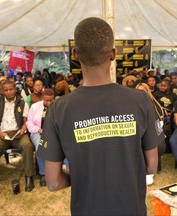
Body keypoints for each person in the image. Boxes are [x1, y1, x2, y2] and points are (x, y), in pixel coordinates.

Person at [37, 17, 159, 215]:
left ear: (75, 54)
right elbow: (152, 165)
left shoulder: (58, 109)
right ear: (113, 54)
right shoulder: (141, 101)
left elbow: (53, 182)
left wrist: (76, 178)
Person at [0, 80, 35, 205]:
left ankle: (29, 177)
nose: (9, 92)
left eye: (11, 89)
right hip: (1, 134)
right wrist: (0, 133)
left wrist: (23, 129)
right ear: (1, 91)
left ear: (15, 89)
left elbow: (26, 120)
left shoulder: (22, 102)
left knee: (27, 146)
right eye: (6, 90)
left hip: (18, 133)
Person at [27, 89, 55, 187]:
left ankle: (60, 170)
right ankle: (43, 174)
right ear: (42, 98)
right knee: (40, 147)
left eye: (51, 100)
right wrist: (38, 130)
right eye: (47, 100)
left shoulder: (57, 106)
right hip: (37, 132)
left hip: (53, 133)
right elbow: (29, 123)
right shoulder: (35, 107)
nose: (49, 103)